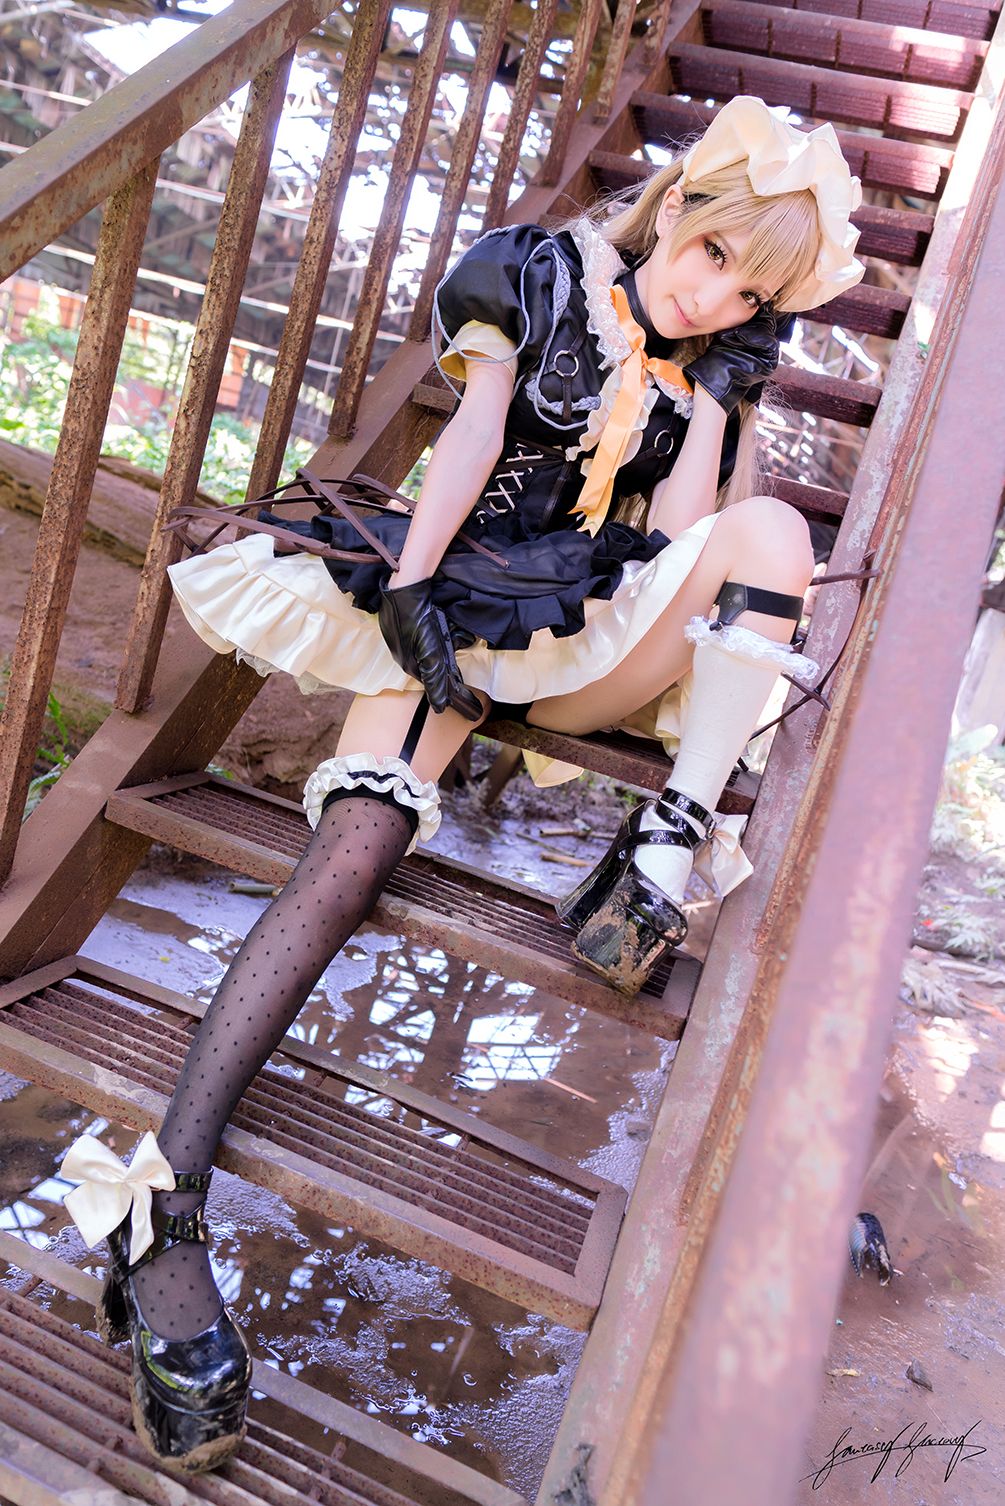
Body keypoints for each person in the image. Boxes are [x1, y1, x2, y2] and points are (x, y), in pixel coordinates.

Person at [53, 95, 865, 1473]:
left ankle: (662, 850)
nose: (712, 294)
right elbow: (475, 440)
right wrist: (416, 591)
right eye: (713, 254)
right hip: (457, 593)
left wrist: (718, 400)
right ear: (674, 207)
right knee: (352, 847)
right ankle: (163, 1206)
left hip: (585, 632)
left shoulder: (698, 370)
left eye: (749, 292)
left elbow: (676, 546)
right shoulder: (535, 273)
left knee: (775, 529)